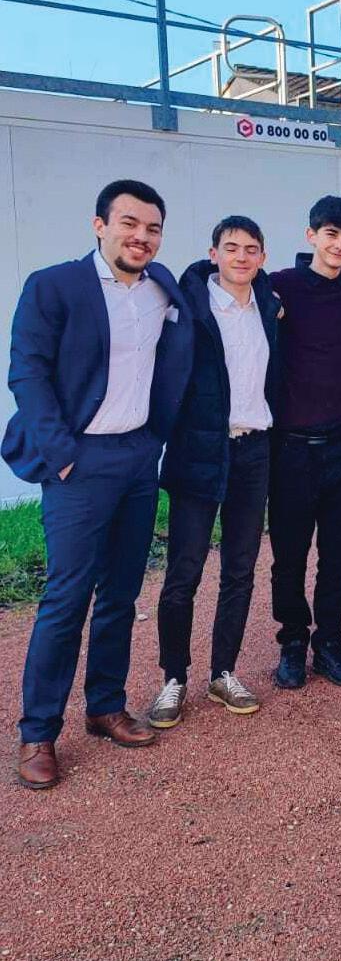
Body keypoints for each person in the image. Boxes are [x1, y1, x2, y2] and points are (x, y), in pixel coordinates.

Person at [5, 180, 191, 790]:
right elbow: (27, 373)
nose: (141, 236)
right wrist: (61, 457)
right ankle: (39, 732)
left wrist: (156, 439)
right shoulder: (54, 285)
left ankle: (105, 705)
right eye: (129, 223)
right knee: (66, 597)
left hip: (137, 457)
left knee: (122, 593)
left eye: (152, 228)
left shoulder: (163, 287)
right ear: (99, 225)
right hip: (78, 463)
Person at [148, 216, 280, 728]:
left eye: (251, 249)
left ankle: (223, 672)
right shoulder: (189, 307)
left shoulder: (267, 305)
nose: (241, 257)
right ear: (214, 254)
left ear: (262, 257)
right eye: (231, 248)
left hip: (254, 451)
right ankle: (173, 677)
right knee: (184, 571)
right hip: (199, 451)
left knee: (240, 570)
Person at [268, 196, 341, 690]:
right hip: (291, 447)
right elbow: (216, 277)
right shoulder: (280, 285)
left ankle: (329, 641)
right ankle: (292, 640)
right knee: (289, 554)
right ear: (311, 236)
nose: (340, 245)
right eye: (331, 234)